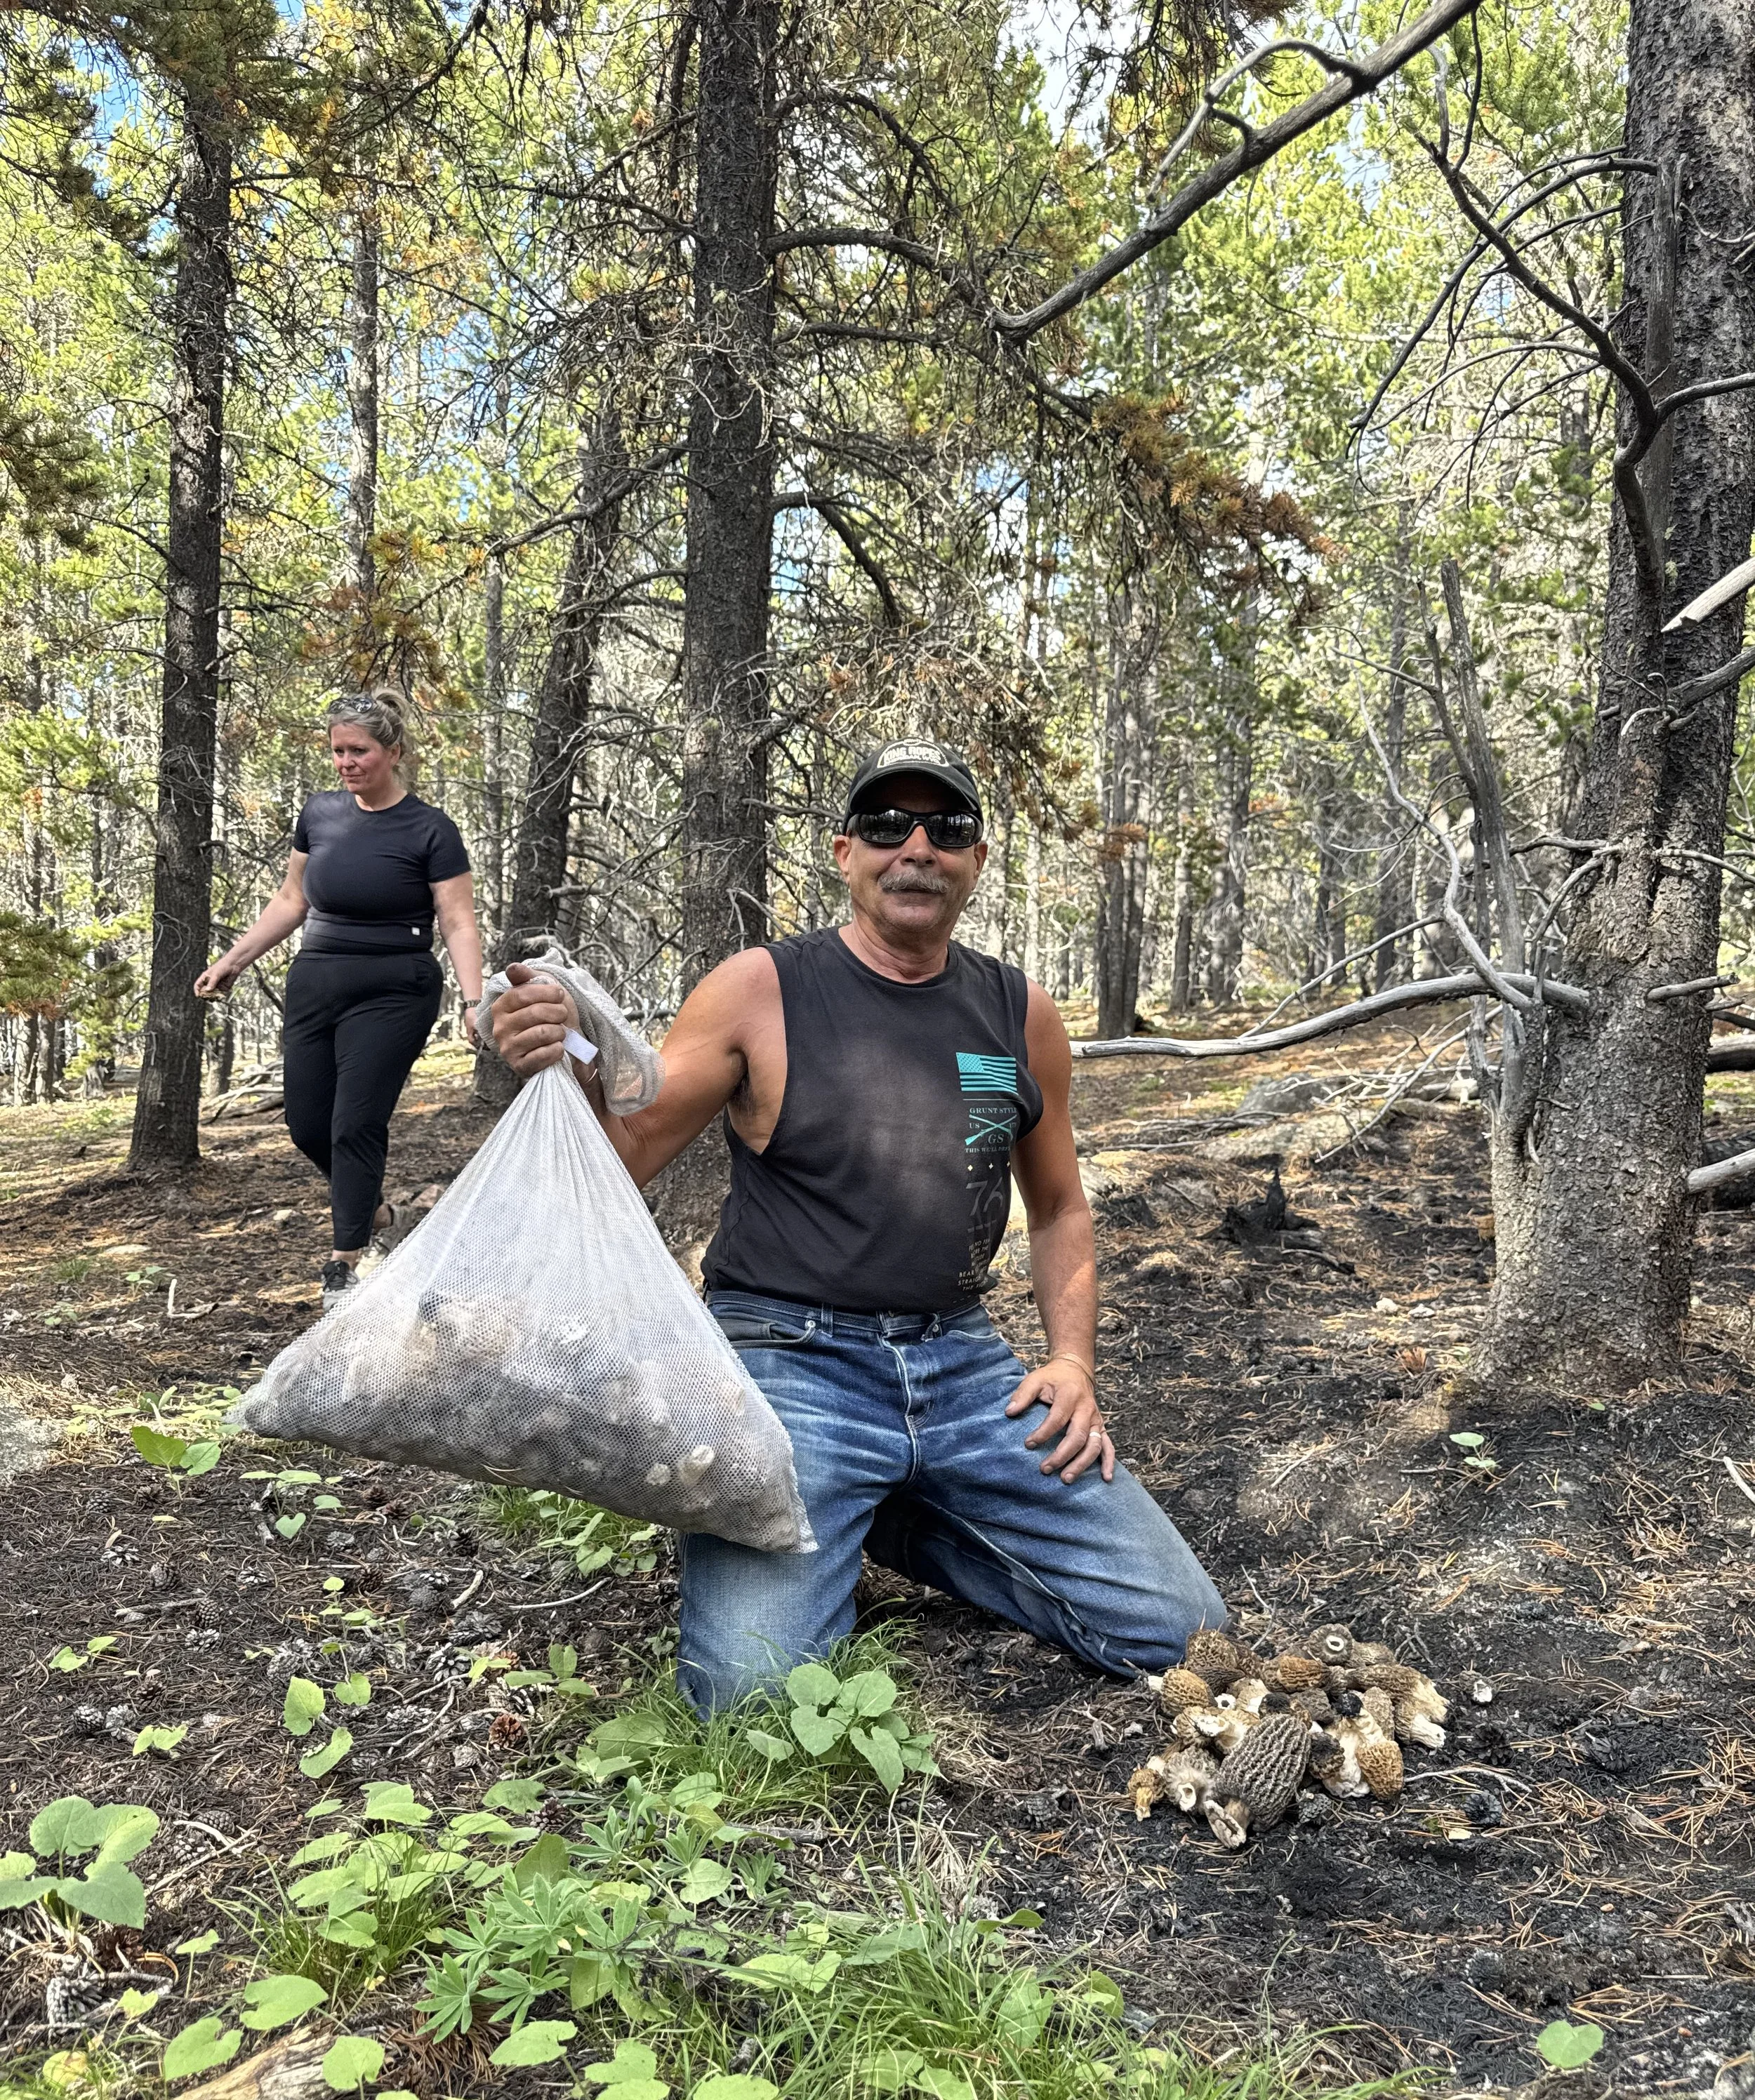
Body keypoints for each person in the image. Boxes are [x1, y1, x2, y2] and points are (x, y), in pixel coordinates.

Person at [491, 738, 1224, 1708]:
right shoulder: (760, 990)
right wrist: (565, 1067)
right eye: (886, 825)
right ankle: (849, 1492)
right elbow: (622, 1156)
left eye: (946, 829)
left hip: (963, 1365)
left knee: (1184, 1631)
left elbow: (1058, 1208)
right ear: (845, 853)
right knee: (750, 1701)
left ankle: (880, 1507)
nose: (916, 848)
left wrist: (1072, 1363)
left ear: (976, 860)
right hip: (789, 1361)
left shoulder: (1020, 1013)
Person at [195, 686, 484, 1310]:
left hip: (395, 987)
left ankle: (343, 1264)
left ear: (393, 752)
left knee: (356, 1122)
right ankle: (377, 1214)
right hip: (317, 982)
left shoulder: (431, 829)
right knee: (307, 1124)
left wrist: (473, 999)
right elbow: (291, 900)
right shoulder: (320, 814)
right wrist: (232, 961)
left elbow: (458, 920)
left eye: (359, 751)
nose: (346, 762)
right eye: (338, 751)